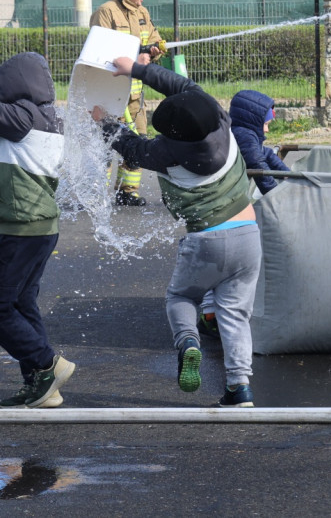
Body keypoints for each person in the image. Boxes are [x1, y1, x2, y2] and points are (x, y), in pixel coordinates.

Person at [91, 56, 261, 407]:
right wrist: (137, 69)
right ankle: (239, 387)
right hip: (248, 231)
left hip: (206, 239)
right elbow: (181, 86)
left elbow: (129, 146)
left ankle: (189, 343)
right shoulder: (220, 119)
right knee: (235, 313)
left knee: (182, 297)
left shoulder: (164, 153)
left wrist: (103, 121)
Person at [0, 52, 75, 409]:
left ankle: (47, 364)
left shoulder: (22, 116)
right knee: (21, 303)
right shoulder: (41, 117)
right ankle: (42, 387)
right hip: (36, 227)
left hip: (21, 228)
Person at [197, 89, 291, 339]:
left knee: (219, 265)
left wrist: (291, 179)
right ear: (253, 119)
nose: (268, 130)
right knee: (220, 266)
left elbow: (268, 155)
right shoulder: (243, 136)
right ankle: (210, 317)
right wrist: (278, 198)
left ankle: (213, 314)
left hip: (222, 206)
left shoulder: (246, 134)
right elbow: (258, 165)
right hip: (221, 209)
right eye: (266, 124)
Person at [89, 0, 166, 207]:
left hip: (134, 95)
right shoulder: (106, 12)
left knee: (139, 142)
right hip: (110, 93)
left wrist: (154, 50)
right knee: (105, 145)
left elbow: (154, 40)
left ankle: (126, 192)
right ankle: (96, 195)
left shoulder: (143, 12)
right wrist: (137, 53)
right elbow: (99, 49)